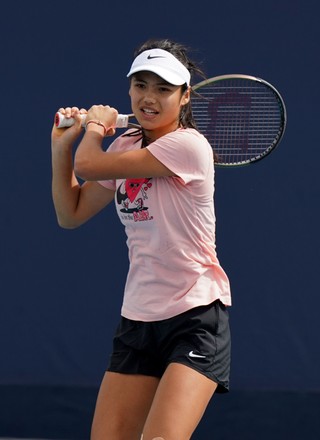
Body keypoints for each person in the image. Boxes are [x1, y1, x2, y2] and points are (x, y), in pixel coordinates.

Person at [51, 38, 232, 440]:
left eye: (163, 89)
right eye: (141, 85)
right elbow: (71, 213)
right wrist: (61, 149)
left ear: (185, 97)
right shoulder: (126, 145)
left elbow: (91, 162)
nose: (149, 98)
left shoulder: (188, 146)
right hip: (139, 319)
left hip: (195, 316)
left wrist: (94, 126)